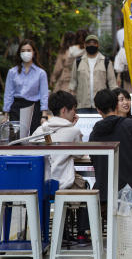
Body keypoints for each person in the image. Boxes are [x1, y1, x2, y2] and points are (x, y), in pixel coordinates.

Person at [31, 90, 90, 244]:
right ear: (65, 110)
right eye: (74, 110)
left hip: (41, 183)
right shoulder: (73, 131)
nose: (75, 114)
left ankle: (61, 233)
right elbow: (80, 155)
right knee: (85, 187)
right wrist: (72, 126)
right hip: (64, 182)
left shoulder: (40, 129)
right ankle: (81, 234)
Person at [89, 89, 132, 208]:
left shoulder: (94, 134)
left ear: (98, 110)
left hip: (106, 191)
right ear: (116, 105)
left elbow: (94, 160)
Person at [2, 39, 48, 134]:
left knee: (33, 137)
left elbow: (44, 95)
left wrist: (44, 115)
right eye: (23, 51)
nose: (26, 53)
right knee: (16, 137)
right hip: (16, 108)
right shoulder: (12, 72)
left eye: (29, 50)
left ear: (34, 52)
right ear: (19, 53)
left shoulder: (41, 73)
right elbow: (8, 94)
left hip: (34, 108)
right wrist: (6, 115)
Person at [69, 34, 117, 113]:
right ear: (85, 45)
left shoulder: (106, 61)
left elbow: (112, 84)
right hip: (82, 105)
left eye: (94, 43)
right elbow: (72, 83)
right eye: (89, 43)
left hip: (102, 105)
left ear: (98, 45)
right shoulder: (78, 61)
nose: (91, 45)